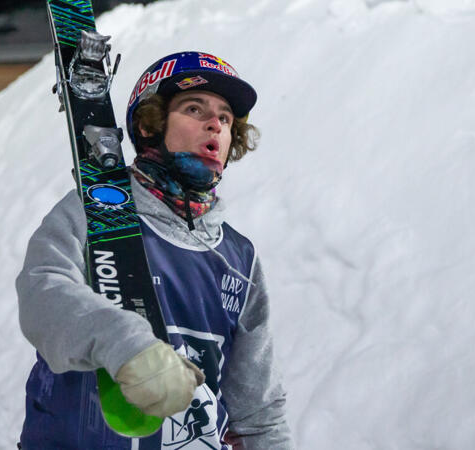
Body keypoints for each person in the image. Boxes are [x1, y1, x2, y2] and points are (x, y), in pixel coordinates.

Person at [17, 51, 292, 449]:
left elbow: (260, 414)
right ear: (151, 124)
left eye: (226, 118)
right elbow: (41, 294)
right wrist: (125, 345)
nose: (214, 124)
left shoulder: (238, 258)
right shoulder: (99, 212)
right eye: (194, 108)